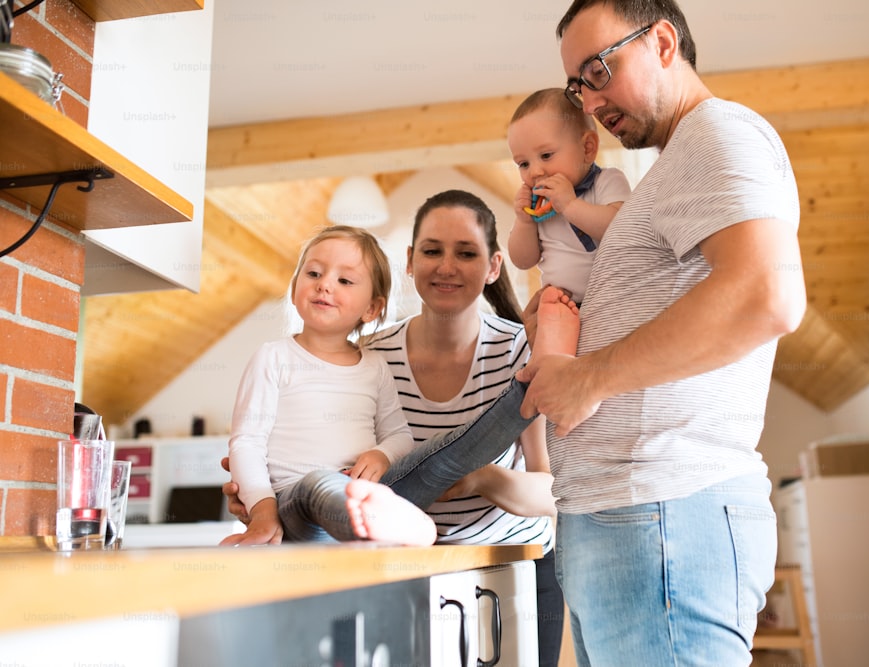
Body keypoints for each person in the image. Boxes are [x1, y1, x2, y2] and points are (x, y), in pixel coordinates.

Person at [516, 2, 808, 665]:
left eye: (598, 70)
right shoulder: (673, 167)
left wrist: (588, 376)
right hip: (627, 516)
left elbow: (767, 294)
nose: (590, 101)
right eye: (577, 87)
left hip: (664, 513)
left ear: (664, 42)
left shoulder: (718, 133)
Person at [224, 191, 572, 666]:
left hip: (507, 571)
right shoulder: (370, 352)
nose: (446, 266)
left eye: (465, 252)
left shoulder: (517, 350)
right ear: (410, 261)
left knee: (456, 452)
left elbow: (559, 492)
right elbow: (272, 443)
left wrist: (479, 479)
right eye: (431, 250)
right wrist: (260, 500)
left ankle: (532, 384)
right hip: (401, 571)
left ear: (492, 266)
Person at [221, 225, 435, 547]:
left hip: (356, 499)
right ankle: (385, 524)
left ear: (371, 309)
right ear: (295, 289)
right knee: (318, 483)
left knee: (431, 458)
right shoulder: (273, 357)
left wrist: (381, 455)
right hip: (292, 505)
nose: (324, 285)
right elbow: (246, 443)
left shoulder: (375, 367)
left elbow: (400, 435)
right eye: (314, 274)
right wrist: (263, 510)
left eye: (344, 280)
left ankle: (387, 523)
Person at [507, 88, 631, 303]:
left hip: (615, 300)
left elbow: (622, 230)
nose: (535, 171)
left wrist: (570, 205)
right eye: (523, 164)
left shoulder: (607, 181)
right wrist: (524, 222)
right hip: (562, 306)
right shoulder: (538, 205)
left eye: (546, 155)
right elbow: (523, 261)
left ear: (587, 148)